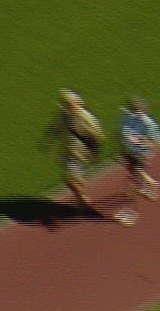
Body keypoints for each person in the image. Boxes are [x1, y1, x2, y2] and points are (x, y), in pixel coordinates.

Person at [44, 90, 131, 224]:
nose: (67, 106)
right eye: (65, 103)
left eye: (69, 103)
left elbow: (97, 136)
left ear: (77, 103)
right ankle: (83, 199)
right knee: (72, 180)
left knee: (72, 180)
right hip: (68, 152)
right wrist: (47, 140)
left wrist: (94, 153)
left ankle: (84, 202)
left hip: (80, 153)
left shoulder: (86, 118)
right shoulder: (64, 115)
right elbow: (56, 127)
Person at [119, 97, 160, 200]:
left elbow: (156, 142)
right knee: (132, 169)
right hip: (130, 149)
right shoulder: (130, 119)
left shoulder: (149, 124)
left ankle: (150, 185)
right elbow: (124, 133)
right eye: (134, 109)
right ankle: (146, 185)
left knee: (137, 170)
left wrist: (141, 142)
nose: (136, 112)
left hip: (141, 151)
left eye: (137, 110)